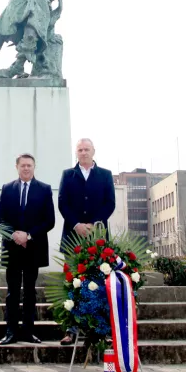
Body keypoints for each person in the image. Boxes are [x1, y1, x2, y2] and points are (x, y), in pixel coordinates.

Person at [56, 138, 116, 345]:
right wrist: (77, 225)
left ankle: (102, 330)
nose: (83, 152)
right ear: (76, 152)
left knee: (99, 282)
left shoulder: (105, 175)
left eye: (86, 149)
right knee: (72, 282)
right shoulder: (68, 175)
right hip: (73, 236)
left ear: (93, 151)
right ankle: (70, 331)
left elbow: (110, 203)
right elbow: (62, 203)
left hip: (97, 236)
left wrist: (93, 224)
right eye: (80, 149)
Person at [0, 154, 56, 345]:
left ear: (34, 167)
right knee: (12, 291)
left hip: (33, 249)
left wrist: (27, 235)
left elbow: (49, 220)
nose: (26, 168)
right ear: (17, 167)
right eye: (23, 165)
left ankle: (29, 332)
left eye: (29, 165)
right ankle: (10, 332)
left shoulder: (44, 190)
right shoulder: (7, 189)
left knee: (30, 291)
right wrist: (15, 234)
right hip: (12, 249)